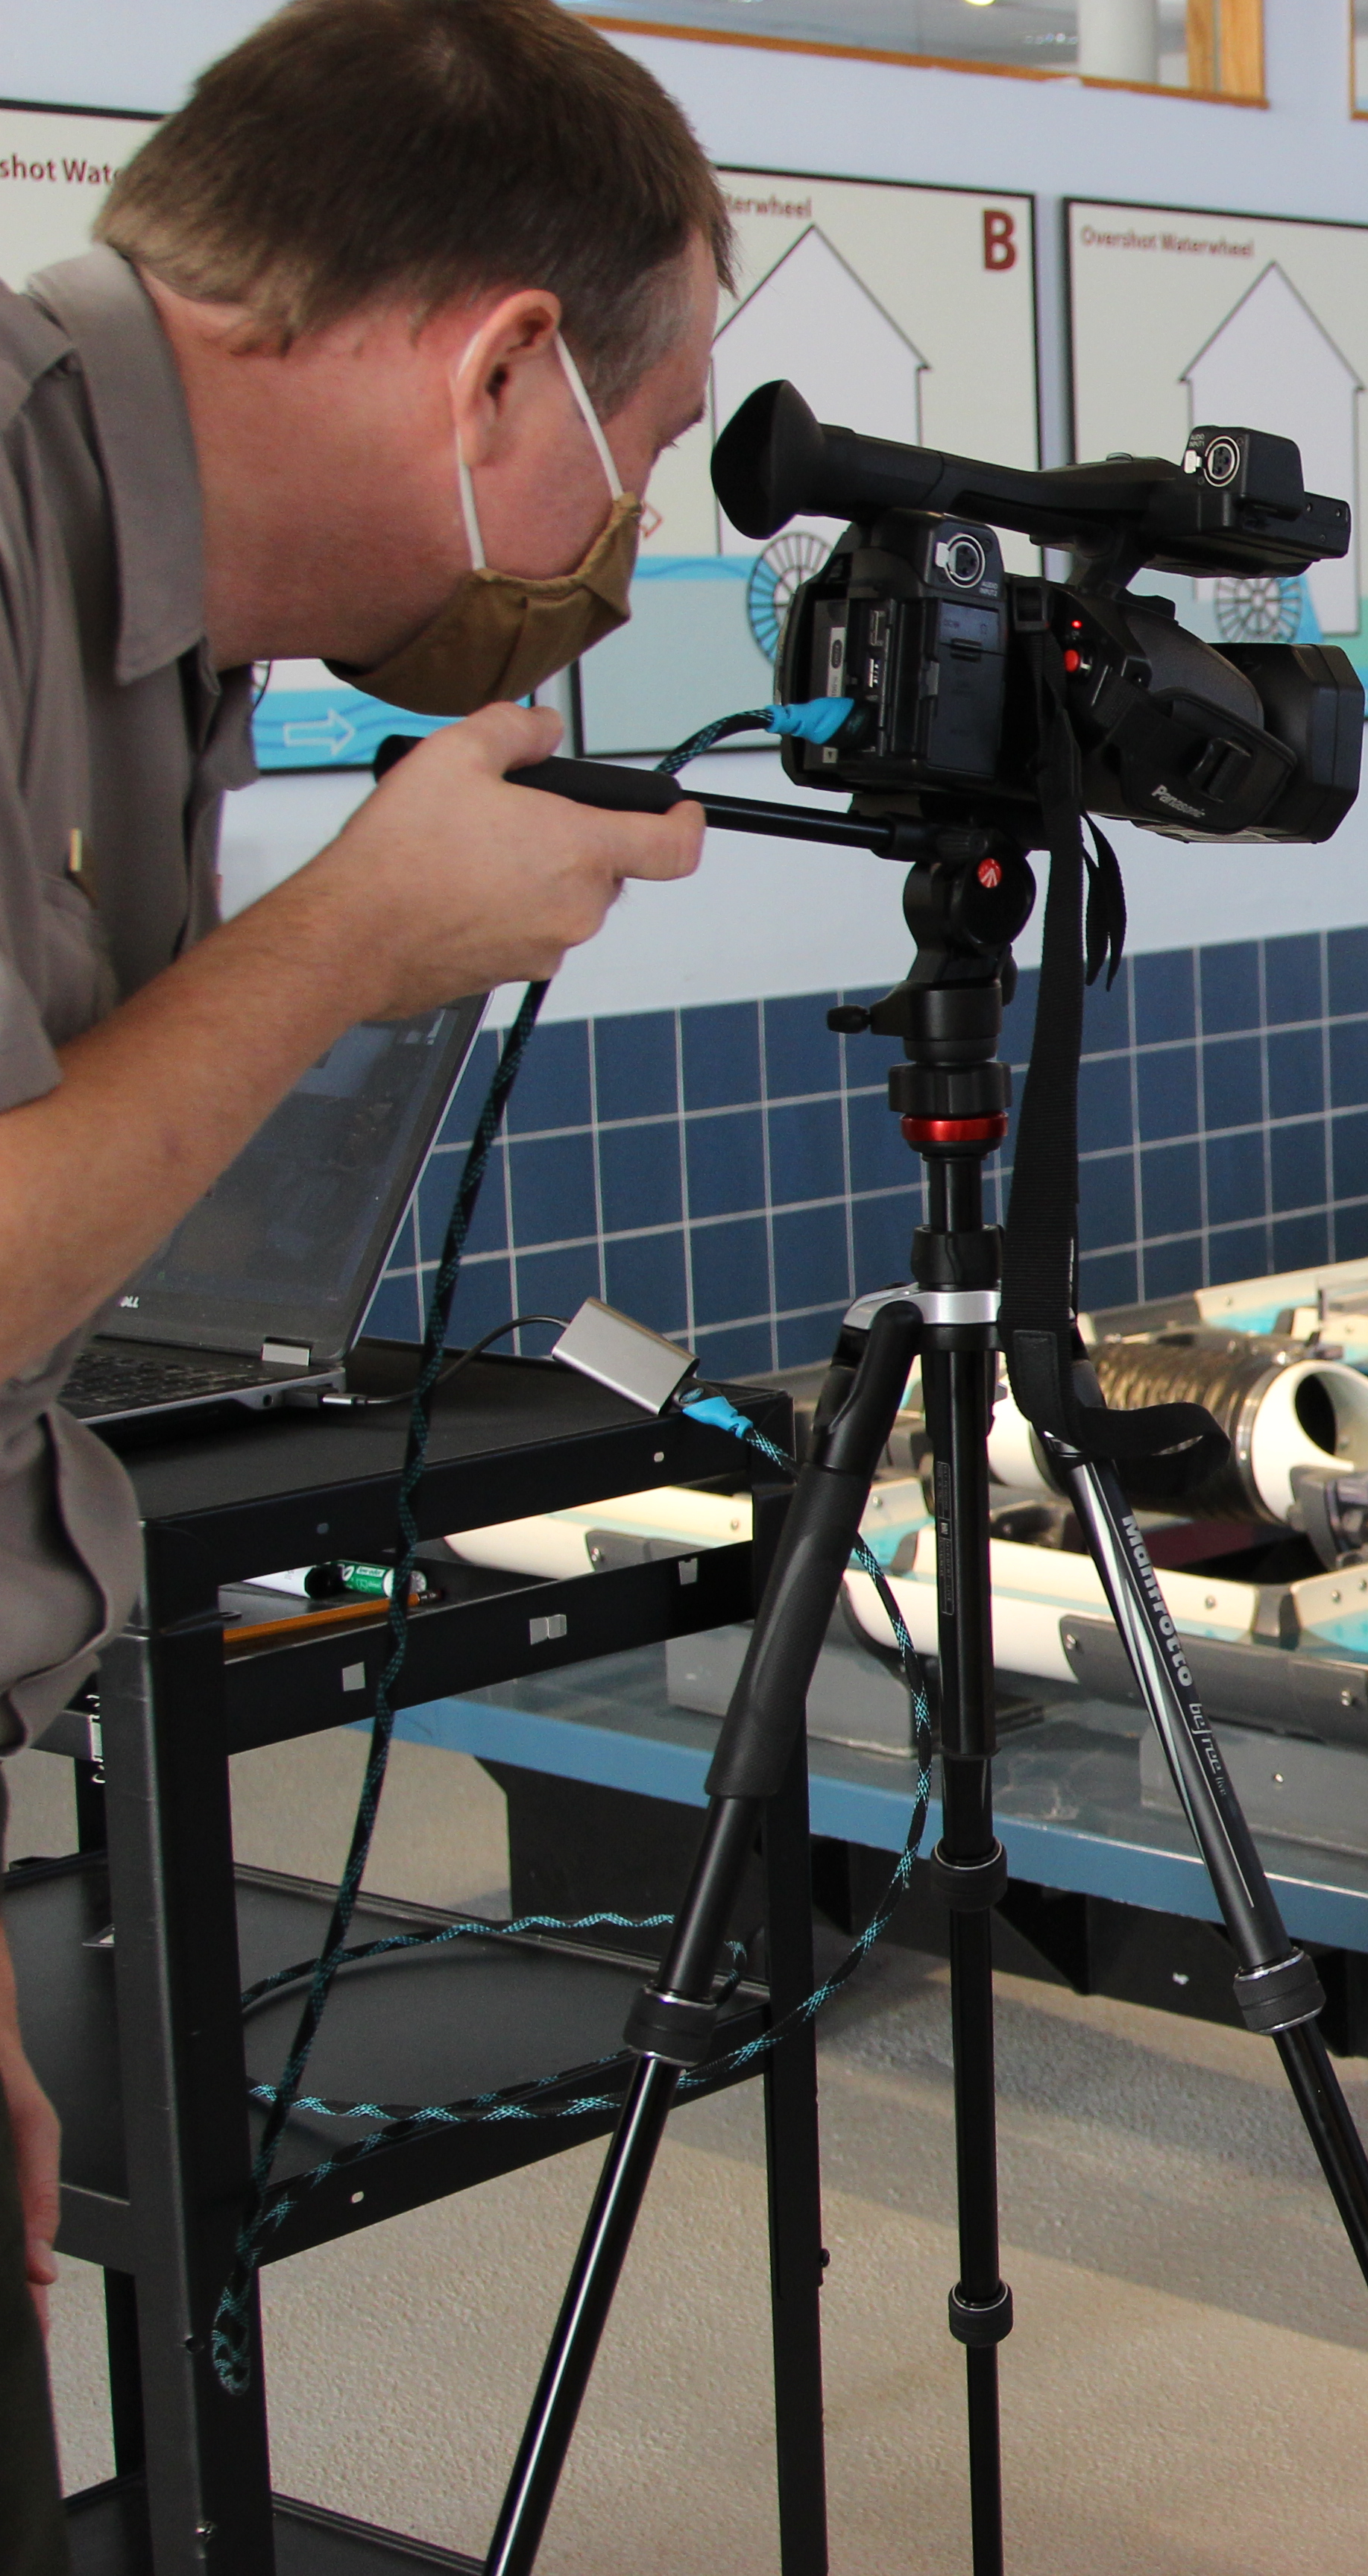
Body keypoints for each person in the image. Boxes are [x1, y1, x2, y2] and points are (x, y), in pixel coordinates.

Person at [0, 1, 726, 2554]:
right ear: (507, 361)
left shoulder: (136, 600)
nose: (614, 535)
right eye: (639, 452)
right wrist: (346, 939)